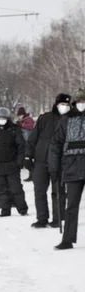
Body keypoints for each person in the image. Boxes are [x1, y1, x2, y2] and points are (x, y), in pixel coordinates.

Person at [25, 94, 70, 229]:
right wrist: (27, 156)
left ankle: (58, 218)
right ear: (56, 104)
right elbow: (33, 138)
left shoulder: (71, 120)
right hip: (41, 160)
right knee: (39, 190)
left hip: (60, 162)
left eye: (67, 105)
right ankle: (42, 218)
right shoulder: (44, 118)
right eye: (62, 104)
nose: (64, 107)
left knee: (58, 191)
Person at [48, 88, 85, 250]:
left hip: (74, 165)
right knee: (72, 206)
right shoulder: (65, 120)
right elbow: (56, 145)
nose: (82, 105)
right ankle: (68, 239)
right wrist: (54, 168)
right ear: (75, 104)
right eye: (80, 102)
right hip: (72, 167)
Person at [0, 107, 29, 217]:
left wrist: (19, 161)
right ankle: (5, 209)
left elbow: (21, 146)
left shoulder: (14, 130)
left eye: (4, 118)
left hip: (12, 164)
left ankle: (22, 208)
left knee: (16, 188)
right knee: (1, 189)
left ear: (8, 119)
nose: (1, 120)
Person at [16, 107, 35, 182]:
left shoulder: (28, 119)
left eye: (20, 115)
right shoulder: (22, 120)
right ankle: (31, 175)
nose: (19, 117)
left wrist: (21, 125)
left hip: (29, 143)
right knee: (26, 160)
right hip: (24, 143)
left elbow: (30, 126)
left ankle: (33, 175)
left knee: (28, 160)